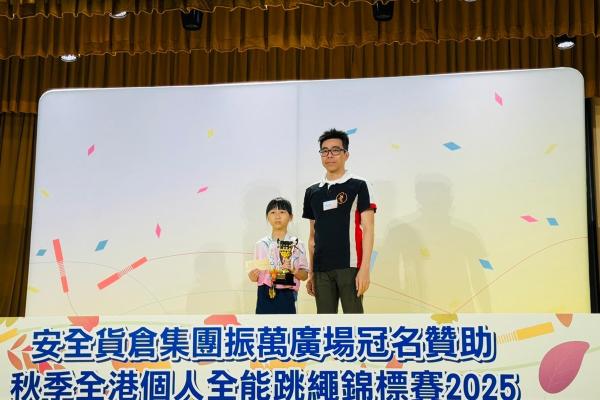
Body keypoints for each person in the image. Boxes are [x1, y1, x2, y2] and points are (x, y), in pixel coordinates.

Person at [302, 129, 376, 313]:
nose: (329, 155)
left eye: (335, 150)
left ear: (346, 154)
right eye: (324, 151)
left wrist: (365, 268)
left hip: (349, 266)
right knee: (325, 324)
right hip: (321, 269)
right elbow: (312, 237)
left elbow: (368, 228)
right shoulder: (312, 192)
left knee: (354, 322)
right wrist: (311, 273)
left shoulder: (359, 185)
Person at [248, 197, 309, 314]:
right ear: (267, 217)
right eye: (273, 212)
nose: (277, 216)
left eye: (282, 212)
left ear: (290, 217)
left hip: (288, 293)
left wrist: (294, 270)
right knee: (263, 324)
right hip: (264, 292)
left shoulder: (297, 244)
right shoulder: (260, 244)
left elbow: (305, 275)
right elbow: (253, 276)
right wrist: (253, 276)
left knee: (287, 324)